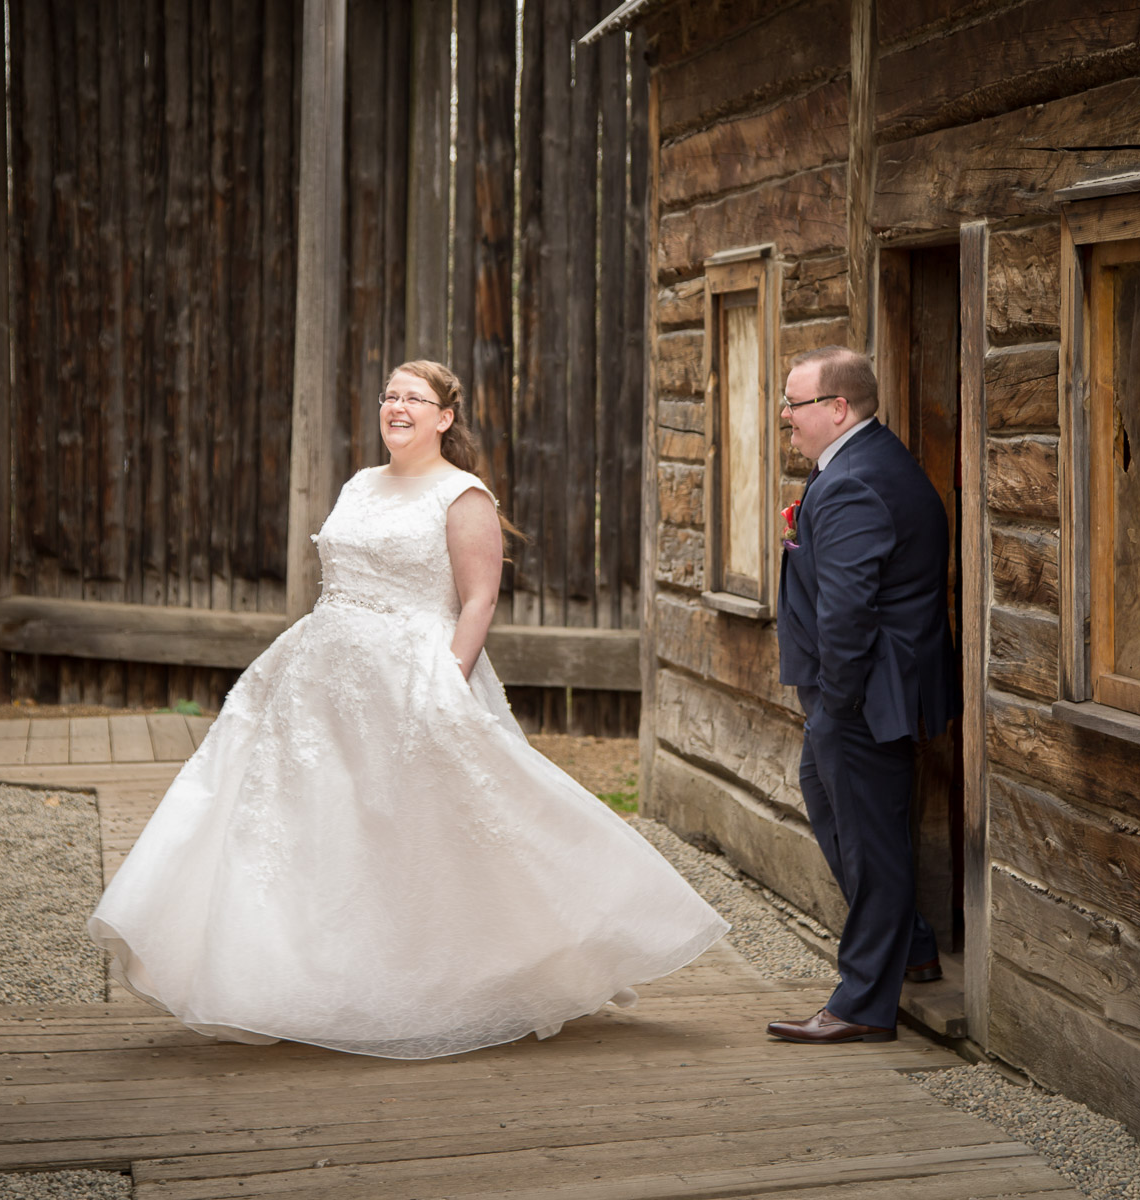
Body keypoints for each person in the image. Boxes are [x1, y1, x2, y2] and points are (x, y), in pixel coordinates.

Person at [88, 360, 729, 1059]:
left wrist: (447, 682)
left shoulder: (462, 495)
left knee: (427, 828)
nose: (397, 407)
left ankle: (502, 962)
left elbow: (479, 599)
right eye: (389, 396)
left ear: (444, 417)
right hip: (318, 682)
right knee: (305, 828)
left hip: (413, 677)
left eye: (414, 398)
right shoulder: (360, 484)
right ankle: (286, 982)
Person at [769, 346, 958, 1045]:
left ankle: (861, 1006)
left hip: (864, 697)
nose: (785, 415)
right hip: (861, 693)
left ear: (838, 408)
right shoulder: (860, 462)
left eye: (795, 403)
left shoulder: (855, 482)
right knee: (831, 806)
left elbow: (847, 613)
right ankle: (912, 946)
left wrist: (837, 702)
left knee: (871, 844)